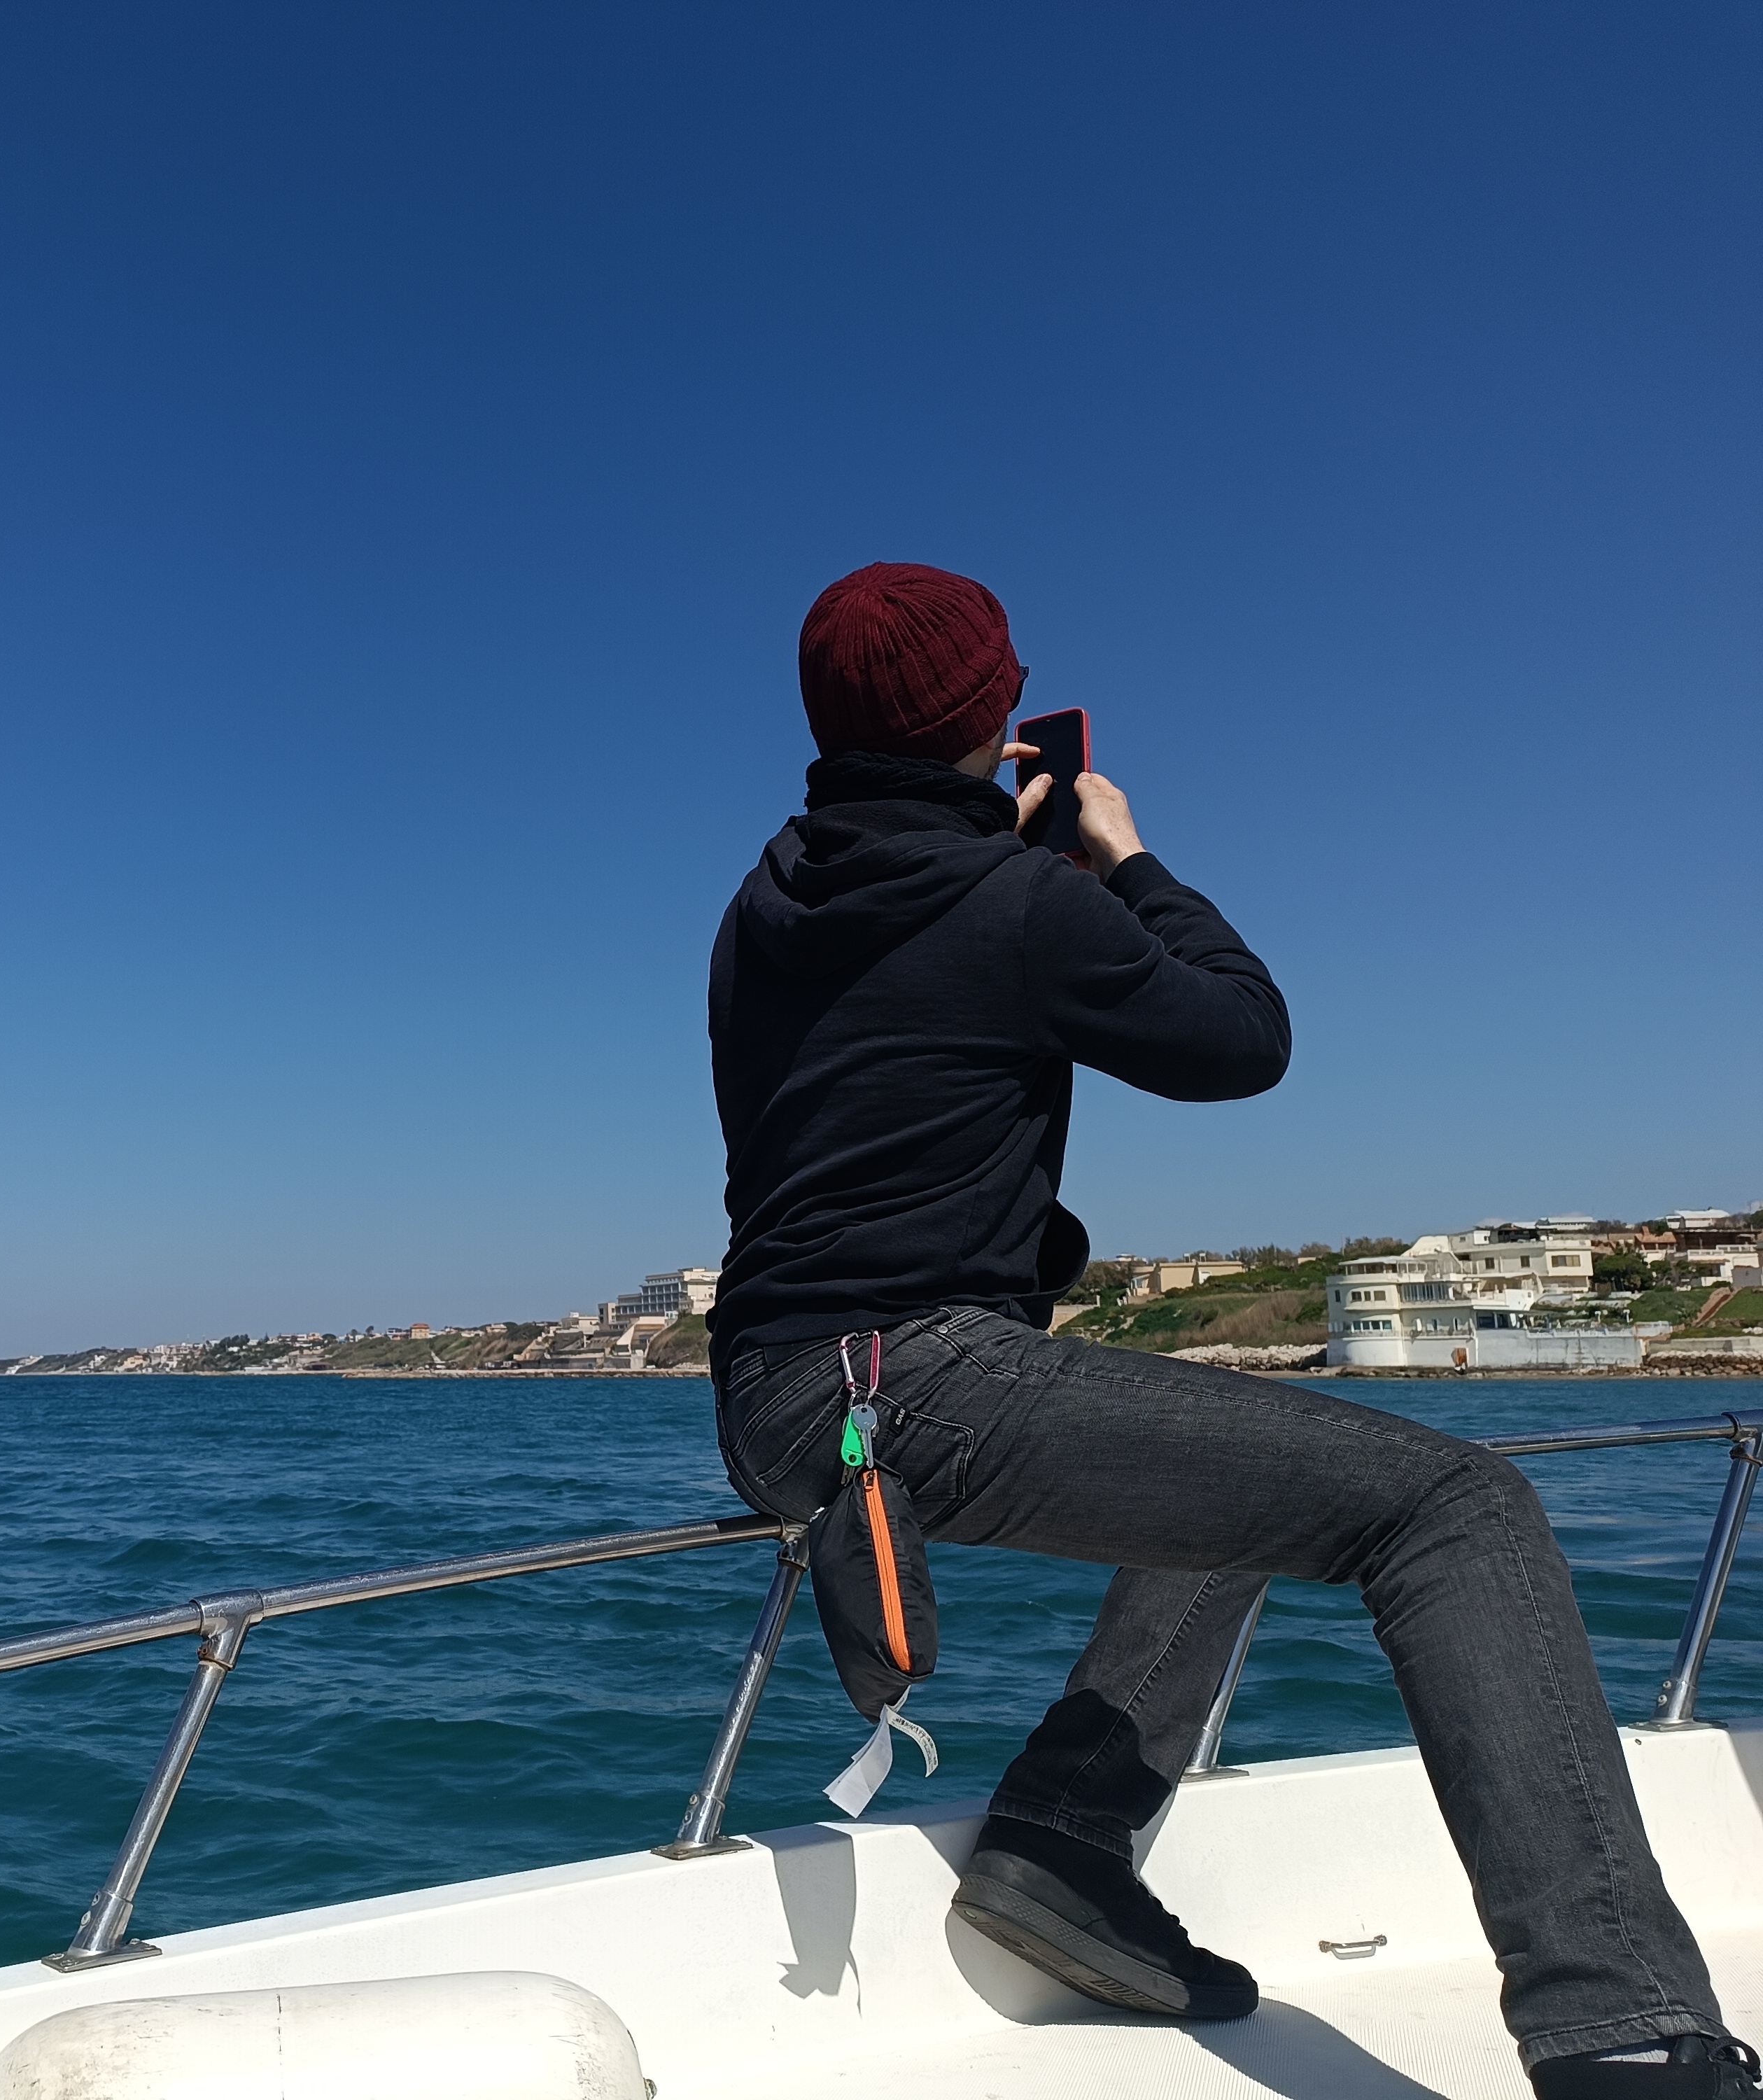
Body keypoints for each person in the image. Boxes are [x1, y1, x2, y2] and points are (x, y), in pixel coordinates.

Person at [705, 561, 1753, 2099]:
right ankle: (1623, 2035)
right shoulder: (1021, 901)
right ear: (994, 713)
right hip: (903, 1379)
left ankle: (1066, 1845)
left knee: (1239, 1480)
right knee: (1456, 1507)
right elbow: (1242, 1041)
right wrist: (1124, 861)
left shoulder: (761, 904)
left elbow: (860, 1122)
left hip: (774, 1384)